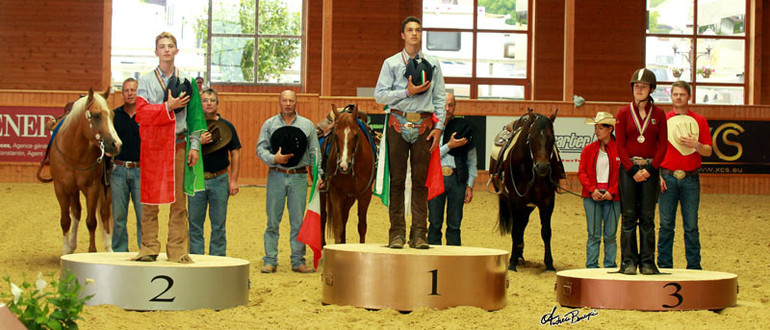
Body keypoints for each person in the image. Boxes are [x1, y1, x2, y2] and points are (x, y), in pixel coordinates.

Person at [134, 31, 207, 263]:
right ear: (156, 52)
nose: (166, 49)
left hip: (178, 144)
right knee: (149, 199)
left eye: (170, 46)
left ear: (176, 50)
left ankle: (177, 250)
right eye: (162, 46)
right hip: (154, 146)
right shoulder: (145, 81)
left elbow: (195, 116)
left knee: (179, 201)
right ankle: (148, 248)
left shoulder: (187, 80)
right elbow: (141, 113)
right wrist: (168, 106)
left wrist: (194, 146)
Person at [374, 16, 446, 249]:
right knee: (396, 181)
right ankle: (396, 234)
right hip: (398, 123)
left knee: (420, 182)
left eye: (417, 30)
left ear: (420, 35)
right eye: (409, 30)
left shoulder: (433, 63)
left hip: (424, 127)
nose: (414, 33)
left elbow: (440, 98)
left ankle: (419, 235)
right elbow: (380, 96)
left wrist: (439, 128)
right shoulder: (391, 63)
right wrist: (406, 92)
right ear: (403, 35)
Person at [257, 90, 319, 274]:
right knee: (272, 221)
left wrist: (318, 176)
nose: (288, 103)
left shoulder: (307, 125)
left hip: (298, 176)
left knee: (298, 222)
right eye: (284, 100)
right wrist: (273, 158)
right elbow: (260, 148)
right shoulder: (270, 124)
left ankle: (298, 261)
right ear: (279, 102)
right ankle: (270, 260)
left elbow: (315, 152)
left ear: (296, 102)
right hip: (276, 174)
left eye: (291, 100)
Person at [615, 68, 668, 275]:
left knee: (647, 217)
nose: (639, 89)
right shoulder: (623, 113)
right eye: (636, 86)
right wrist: (631, 169)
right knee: (628, 217)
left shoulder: (660, 114)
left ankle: (647, 262)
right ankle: (628, 262)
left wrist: (651, 169)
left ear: (651, 89)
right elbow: (620, 145)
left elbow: (663, 145)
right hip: (629, 170)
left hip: (650, 170)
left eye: (643, 86)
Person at [657, 81, 712, 270]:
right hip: (667, 176)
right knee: (665, 225)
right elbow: (655, 151)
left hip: (690, 178)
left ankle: (694, 266)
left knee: (691, 226)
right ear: (671, 97)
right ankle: (664, 265)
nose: (679, 97)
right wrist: (658, 175)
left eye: (682, 94)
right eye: (675, 94)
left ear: (689, 97)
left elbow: (708, 151)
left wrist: (696, 144)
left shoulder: (700, 121)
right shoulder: (662, 120)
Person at [188, 88, 241, 256]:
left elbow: (235, 153)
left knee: (219, 224)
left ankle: (217, 259)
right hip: (196, 180)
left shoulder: (227, 126)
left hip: (220, 179)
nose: (209, 103)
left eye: (212, 100)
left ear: (218, 104)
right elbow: (182, 150)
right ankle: (197, 258)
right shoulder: (191, 126)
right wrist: (197, 141)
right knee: (195, 223)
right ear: (199, 103)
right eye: (204, 100)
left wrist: (233, 180)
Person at [427, 92, 476, 246]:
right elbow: (429, 156)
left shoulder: (463, 128)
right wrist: (449, 146)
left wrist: (470, 185)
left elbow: (472, 159)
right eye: (444, 105)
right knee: (434, 223)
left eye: (451, 105)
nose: (447, 109)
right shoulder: (430, 127)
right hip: (436, 179)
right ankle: (433, 261)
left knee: (455, 225)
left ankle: (454, 260)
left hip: (457, 179)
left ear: (455, 107)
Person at [578, 112, 621, 269]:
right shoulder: (588, 149)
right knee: (594, 234)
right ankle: (592, 266)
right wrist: (591, 189)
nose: (597, 131)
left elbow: (624, 174)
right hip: (592, 196)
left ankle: (610, 265)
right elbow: (581, 172)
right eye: (596, 128)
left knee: (610, 235)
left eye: (600, 128)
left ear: (610, 129)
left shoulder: (621, 150)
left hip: (613, 197)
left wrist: (613, 191)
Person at [111, 78, 143, 252]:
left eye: (133, 90)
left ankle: (144, 251)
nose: (130, 93)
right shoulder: (114, 116)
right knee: (118, 217)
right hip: (118, 170)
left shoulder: (146, 115)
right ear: (122, 93)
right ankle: (119, 252)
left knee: (143, 216)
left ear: (139, 92)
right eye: (126, 90)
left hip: (141, 171)